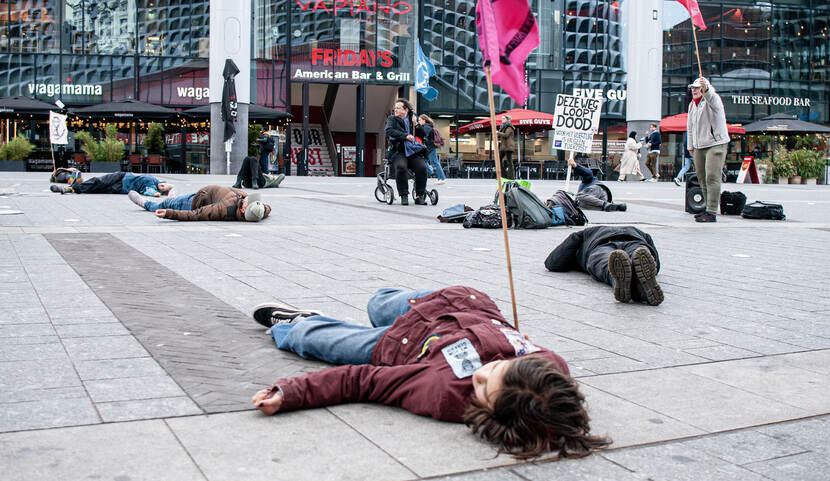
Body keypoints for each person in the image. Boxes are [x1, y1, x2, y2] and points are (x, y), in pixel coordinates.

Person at [250, 286, 611, 459]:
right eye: (499, 366)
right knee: (378, 300)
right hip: (455, 304)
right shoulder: (551, 371)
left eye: (483, 387)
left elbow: (361, 382)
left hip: (403, 345)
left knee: (307, 338)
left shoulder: (441, 391)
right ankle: (387, 308)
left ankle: (295, 321)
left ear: (487, 414)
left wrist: (291, 393)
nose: (482, 372)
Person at [544, 226, 663, 306]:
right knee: (639, 253)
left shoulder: (586, 232)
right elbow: (655, 261)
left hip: (601, 244)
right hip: (635, 240)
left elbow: (553, 263)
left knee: (605, 263)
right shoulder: (638, 230)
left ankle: (618, 281)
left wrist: (575, 261)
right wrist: (654, 267)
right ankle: (638, 283)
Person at [687, 76, 729, 223]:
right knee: (701, 177)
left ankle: (711, 211)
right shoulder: (692, 105)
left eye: (697, 88)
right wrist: (690, 146)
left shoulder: (713, 99)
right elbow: (690, 128)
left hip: (715, 143)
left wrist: (707, 89)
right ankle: (707, 208)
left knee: (712, 176)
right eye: (693, 88)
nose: (694, 90)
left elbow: (711, 97)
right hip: (699, 145)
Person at [128, 185, 270, 222]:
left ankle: (145, 203)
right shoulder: (257, 211)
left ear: (243, 210)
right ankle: (172, 194)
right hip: (202, 195)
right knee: (172, 199)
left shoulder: (224, 209)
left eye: (248, 202)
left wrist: (168, 214)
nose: (247, 198)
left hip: (192, 202)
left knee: (164, 203)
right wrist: (263, 208)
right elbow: (266, 209)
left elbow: (196, 215)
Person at [385, 98, 428, 205]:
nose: (395, 110)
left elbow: (423, 134)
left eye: (398, 108)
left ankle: (419, 195)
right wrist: (405, 136)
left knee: (422, 168)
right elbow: (388, 130)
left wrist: (417, 124)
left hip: (413, 151)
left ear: (406, 110)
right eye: (395, 108)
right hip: (399, 151)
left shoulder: (413, 118)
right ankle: (404, 195)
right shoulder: (392, 119)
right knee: (401, 167)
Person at [50, 171, 173, 197]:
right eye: (164, 184)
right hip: (121, 176)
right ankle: (71, 188)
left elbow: (148, 192)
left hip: (121, 187)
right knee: (98, 181)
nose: (162, 186)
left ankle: (71, 189)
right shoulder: (154, 180)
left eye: (163, 188)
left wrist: (157, 194)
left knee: (97, 189)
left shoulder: (151, 188)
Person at [418, 114, 446, 185]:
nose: (419, 122)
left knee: (435, 162)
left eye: (420, 120)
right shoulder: (426, 126)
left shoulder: (426, 127)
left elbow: (425, 137)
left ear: (424, 120)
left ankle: (442, 178)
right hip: (429, 148)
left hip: (430, 148)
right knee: (424, 160)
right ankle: (431, 172)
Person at [497, 114, 517, 180]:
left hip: (508, 147)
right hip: (503, 146)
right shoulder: (503, 127)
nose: (502, 120)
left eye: (503, 118)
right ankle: (503, 175)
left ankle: (511, 176)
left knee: (509, 162)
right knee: (498, 160)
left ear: (507, 119)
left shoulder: (509, 127)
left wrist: (498, 132)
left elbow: (506, 135)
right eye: (502, 118)